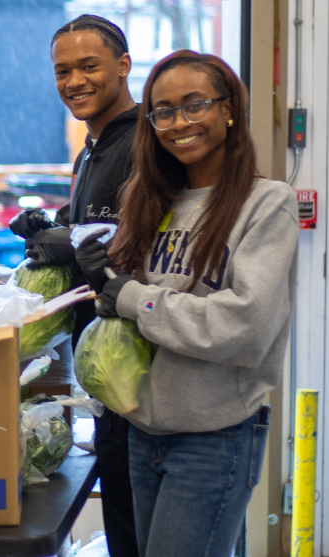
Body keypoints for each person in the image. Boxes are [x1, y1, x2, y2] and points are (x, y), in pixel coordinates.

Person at [76, 50, 296, 557]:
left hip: (212, 439)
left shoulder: (266, 204)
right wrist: (105, 276)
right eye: (164, 111)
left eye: (195, 105)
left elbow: (245, 325)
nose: (179, 123)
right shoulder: (154, 199)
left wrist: (132, 297)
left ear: (229, 109)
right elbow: (136, 310)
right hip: (141, 432)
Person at [9, 15, 139, 556]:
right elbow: (95, 218)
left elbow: (151, 237)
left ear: (124, 66)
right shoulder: (94, 147)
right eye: (63, 71)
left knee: (138, 535)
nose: (74, 82)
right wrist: (52, 227)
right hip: (106, 371)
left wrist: (80, 240)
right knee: (124, 530)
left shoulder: (145, 141)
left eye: (89, 66)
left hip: (143, 367)